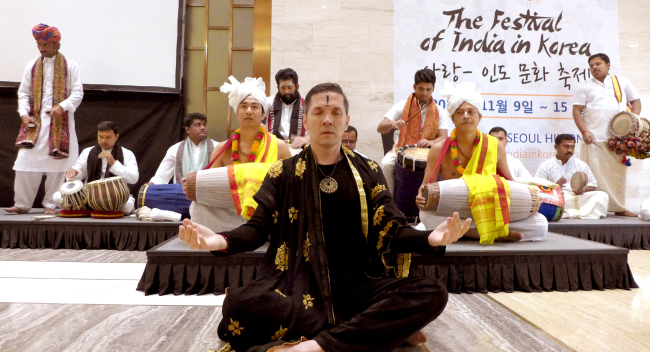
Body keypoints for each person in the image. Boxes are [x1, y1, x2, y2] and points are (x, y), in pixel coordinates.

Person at [178, 83, 471, 352]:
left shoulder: (367, 170)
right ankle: (373, 328)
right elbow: (257, 228)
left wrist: (429, 238)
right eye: (319, 112)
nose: (327, 119)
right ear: (307, 120)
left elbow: (391, 227)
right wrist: (219, 239)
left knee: (432, 292)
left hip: (359, 286)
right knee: (239, 308)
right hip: (297, 287)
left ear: (346, 120)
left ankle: (318, 346)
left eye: (335, 112)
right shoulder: (283, 173)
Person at [416, 82, 522, 243]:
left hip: (487, 206)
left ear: (480, 117)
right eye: (460, 112)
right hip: (453, 210)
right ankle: (478, 233)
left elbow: (509, 181)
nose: (466, 115)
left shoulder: (495, 146)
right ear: (452, 118)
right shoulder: (438, 149)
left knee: (540, 224)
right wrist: (420, 198)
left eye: (471, 111)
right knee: (425, 215)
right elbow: (425, 187)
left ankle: (463, 232)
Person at [184, 76, 291, 232]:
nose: (248, 111)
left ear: (263, 114)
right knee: (200, 204)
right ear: (237, 112)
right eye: (243, 106)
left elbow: (291, 185)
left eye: (255, 106)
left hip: (267, 210)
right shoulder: (222, 149)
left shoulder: (280, 147)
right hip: (230, 210)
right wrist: (192, 184)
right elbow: (209, 186)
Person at [5, 24, 83, 215]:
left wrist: (61, 107)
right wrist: (23, 113)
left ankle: (51, 203)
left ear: (57, 44)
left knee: (57, 165)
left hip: (59, 125)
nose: (41, 48)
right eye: (39, 44)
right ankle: (22, 204)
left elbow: (77, 93)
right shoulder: (32, 66)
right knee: (25, 162)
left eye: (46, 44)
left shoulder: (71, 66)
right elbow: (23, 93)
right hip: (34, 125)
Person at [572, 53, 642, 217]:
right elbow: (576, 111)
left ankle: (619, 208)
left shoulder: (622, 82)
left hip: (619, 138)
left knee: (618, 176)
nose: (594, 68)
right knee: (595, 177)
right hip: (595, 138)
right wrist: (584, 131)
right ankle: (596, 209)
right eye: (591, 66)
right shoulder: (585, 86)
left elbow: (636, 102)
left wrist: (633, 121)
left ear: (608, 65)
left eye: (597, 64)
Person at [377, 68, 451, 194]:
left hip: (428, 153)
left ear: (433, 88)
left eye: (428, 89)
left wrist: (431, 142)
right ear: (414, 87)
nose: (425, 93)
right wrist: (393, 123)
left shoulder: (439, 111)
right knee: (386, 164)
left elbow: (443, 137)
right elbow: (380, 128)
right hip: (400, 150)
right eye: (421, 89)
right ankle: (389, 202)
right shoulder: (402, 105)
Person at [56, 121, 138, 214]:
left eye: (108, 137)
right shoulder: (87, 152)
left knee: (127, 207)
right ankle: (90, 206)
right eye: (100, 137)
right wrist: (73, 175)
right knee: (56, 197)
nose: (103, 141)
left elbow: (134, 178)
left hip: (114, 197)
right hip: (89, 196)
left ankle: (83, 208)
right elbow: (78, 173)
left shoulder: (127, 154)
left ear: (116, 137)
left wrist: (114, 162)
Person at [535, 134, 609, 219]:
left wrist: (582, 189)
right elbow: (537, 188)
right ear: (556, 147)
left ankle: (569, 213)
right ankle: (581, 213)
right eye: (566, 147)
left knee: (602, 195)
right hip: (558, 198)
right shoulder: (546, 166)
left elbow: (592, 186)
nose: (570, 150)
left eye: (572, 147)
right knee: (542, 200)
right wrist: (555, 186)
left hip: (578, 197)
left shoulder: (581, 165)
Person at [147, 112, 217, 185]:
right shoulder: (175, 149)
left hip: (210, 194)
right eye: (198, 125)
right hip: (182, 194)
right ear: (187, 130)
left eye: (204, 124)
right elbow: (162, 176)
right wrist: (151, 184)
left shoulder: (217, 147)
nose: (202, 127)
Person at [265, 68, 309, 151]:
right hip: (274, 150)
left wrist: (306, 138)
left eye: (290, 87)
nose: (286, 91)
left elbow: (318, 129)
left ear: (297, 86)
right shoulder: (269, 102)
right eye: (283, 88)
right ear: (278, 88)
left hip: (300, 151)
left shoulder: (307, 105)